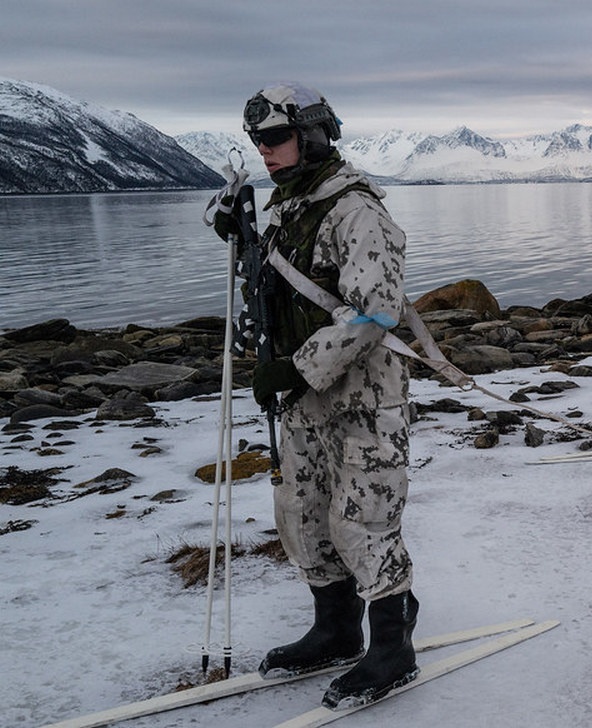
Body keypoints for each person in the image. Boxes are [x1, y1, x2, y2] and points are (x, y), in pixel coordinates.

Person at [216, 82, 419, 707]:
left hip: (363, 396)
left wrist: (300, 368)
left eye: (274, 138)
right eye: (257, 141)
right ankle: (334, 628)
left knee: (363, 519)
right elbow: (263, 258)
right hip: (304, 399)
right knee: (301, 513)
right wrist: (226, 220)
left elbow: (377, 311)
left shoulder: (357, 212)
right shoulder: (288, 206)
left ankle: (392, 644)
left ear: (310, 134)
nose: (264, 150)